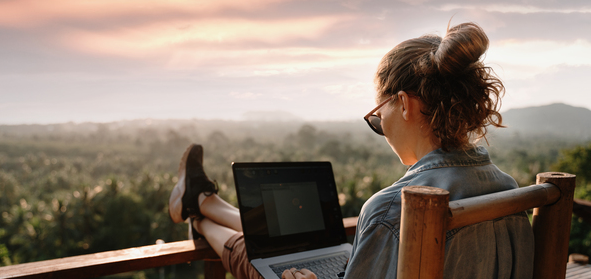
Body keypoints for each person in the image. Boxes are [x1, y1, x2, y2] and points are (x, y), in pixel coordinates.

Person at [168, 22, 534, 279]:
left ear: (404, 104)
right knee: (283, 242)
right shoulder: (509, 190)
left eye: (378, 116)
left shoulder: (394, 210)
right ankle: (203, 203)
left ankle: (199, 214)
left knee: (257, 258)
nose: (381, 127)